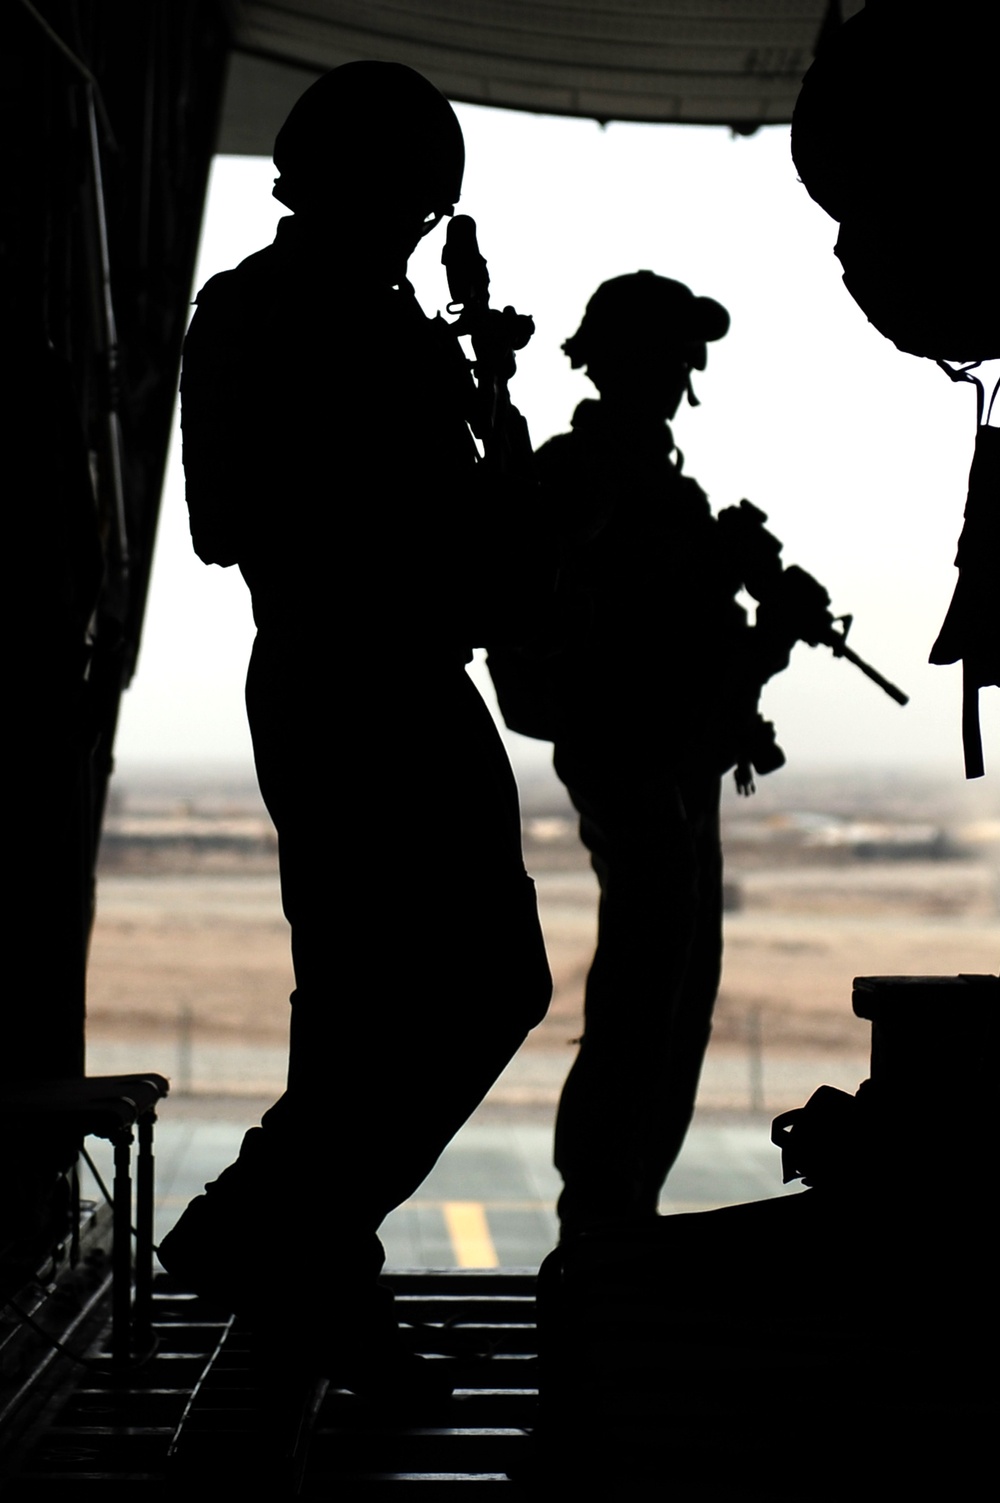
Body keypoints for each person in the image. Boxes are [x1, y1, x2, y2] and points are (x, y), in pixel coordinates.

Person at [158, 62, 552, 1397]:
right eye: (410, 197)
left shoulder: (284, 313)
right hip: (372, 679)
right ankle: (270, 1224)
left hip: (341, 678)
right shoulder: (314, 318)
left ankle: (317, 1285)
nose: (418, 224)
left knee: (358, 1002)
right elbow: (241, 522)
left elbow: (231, 522)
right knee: (488, 983)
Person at [489, 272, 781, 1237]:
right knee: (643, 993)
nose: (684, 371)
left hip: (680, 760)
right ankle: (602, 1219)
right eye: (666, 352)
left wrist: (757, 626)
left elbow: (695, 651)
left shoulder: (667, 489)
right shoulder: (585, 475)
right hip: (626, 751)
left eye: (685, 356)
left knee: (676, 990)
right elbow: (594, 620)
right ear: (617, 360)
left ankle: (625, 1209)